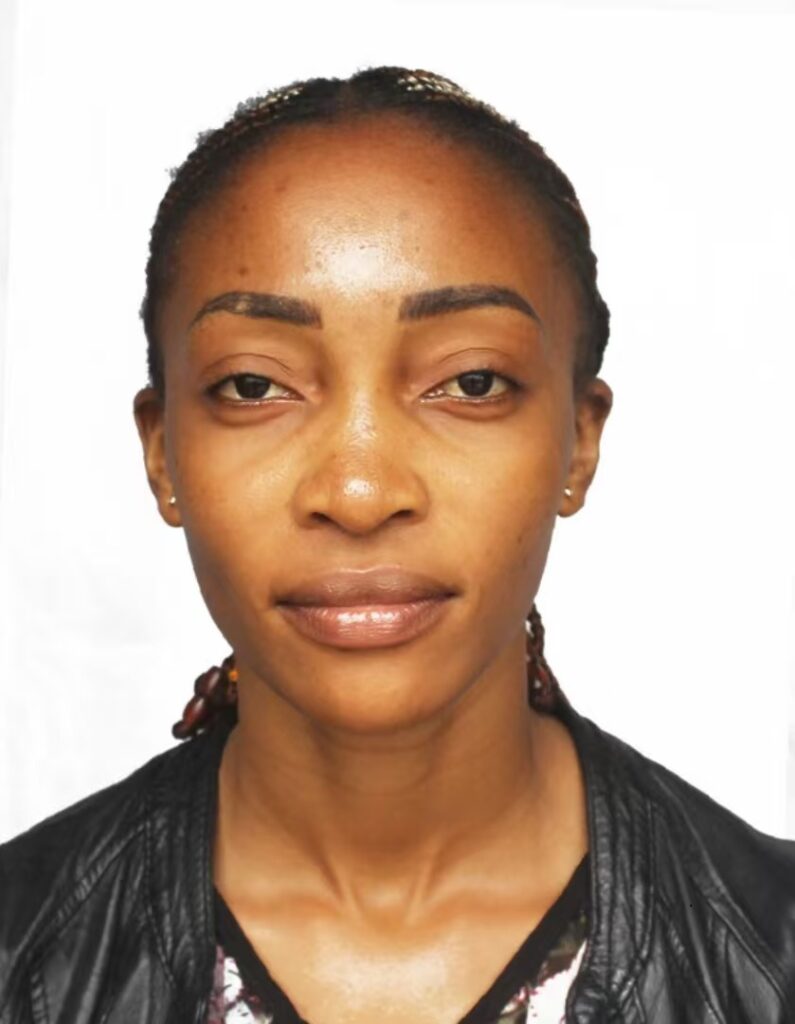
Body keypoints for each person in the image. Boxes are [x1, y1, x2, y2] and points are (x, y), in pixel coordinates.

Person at [0, 65, 793, 1024]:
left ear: (577, 443)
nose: (360, 492)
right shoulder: (20, 952)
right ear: (163, 454)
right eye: (254, 386)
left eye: (470, 382)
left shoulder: (770, 954)